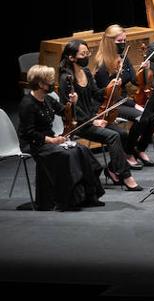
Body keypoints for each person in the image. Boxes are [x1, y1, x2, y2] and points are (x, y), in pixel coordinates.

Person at [17, 65, 105, 211]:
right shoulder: (27, 104)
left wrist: (73, 103)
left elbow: (65, 112)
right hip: (34, 144)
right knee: (65, 154)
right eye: (49, 81)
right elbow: (28, 133)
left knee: (81, 150)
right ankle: (68, 199)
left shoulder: (48, 99)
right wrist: (51, 140)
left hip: (50, 139)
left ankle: (88, 196)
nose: (53, 84)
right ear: (40, 84)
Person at [58, 41, 140, 191]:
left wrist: (111, 86)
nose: (86, 56)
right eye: (83, 54)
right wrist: (92, 121)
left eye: (87, 53)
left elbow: (96, 94)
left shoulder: (87, 72)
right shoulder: (66, 79)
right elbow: (67, 108)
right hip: (78, 123)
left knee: (122, 134)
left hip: (93, 117)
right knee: (113, 136)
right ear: (71, 57)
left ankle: (112, 169)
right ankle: (125, 175)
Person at [92, 25, 154, 168]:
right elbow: (108, 95)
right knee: (142, 117)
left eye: (124, 40)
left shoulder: (124, 58)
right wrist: (133, 104)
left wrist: (145, 69)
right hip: (110, 104)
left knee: (153, 116)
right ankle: (128, 152)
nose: (123, 44)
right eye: (119, 41)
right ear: (110, 42)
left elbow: (135, 81)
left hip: (123, 101)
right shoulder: (102, 64)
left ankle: (139, 149)